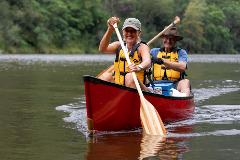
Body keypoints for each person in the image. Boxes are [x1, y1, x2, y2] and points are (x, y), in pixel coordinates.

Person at [98, 17, 151, 88]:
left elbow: (147, 61)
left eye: (133, 31)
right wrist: (110, 29)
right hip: (120, 88)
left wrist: (138, 67)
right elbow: (102, 49)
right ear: (123, 32)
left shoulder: (142, 47)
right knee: (105, 76)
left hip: (140, 88)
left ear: (139, 33)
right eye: (127, 31)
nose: (129, 33)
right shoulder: (119, 45)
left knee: (130, 76)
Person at [149, 27, 191, 96]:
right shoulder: (154, 52)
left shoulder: (181, 53)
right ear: (163, 38)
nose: (168, 41)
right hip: (155, 85)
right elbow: (144, 61)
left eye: (171, 39)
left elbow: (182, 67)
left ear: (175, 40)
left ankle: (182, 101)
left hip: (175, 85)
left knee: (186, 82)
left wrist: (162, 61)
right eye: (166, 38)